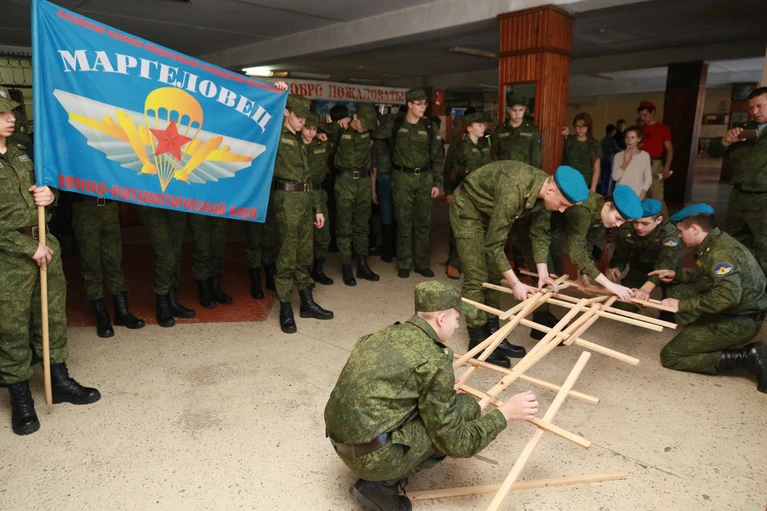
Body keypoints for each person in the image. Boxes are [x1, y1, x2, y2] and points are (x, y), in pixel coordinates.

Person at [324, 281, 540, 511]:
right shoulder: (434, 360)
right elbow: (457, 443)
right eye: (456, 318)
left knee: (443, 408)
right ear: (441, 318)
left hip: (340, 442)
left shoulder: (381, 335)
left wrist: (438, 390)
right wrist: (504, 414)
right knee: (466, 407)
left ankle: (377, 472)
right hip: (372, 460)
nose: (457, 325)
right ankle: (381, 486)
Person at [0, 86, 100, 436]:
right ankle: (20, 397)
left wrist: (50, 195)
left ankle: (57, 379)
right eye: (2, 114)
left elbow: (47, 196)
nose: (11, 118)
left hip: (44, 243)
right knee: (11, 327)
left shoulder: (23, 155)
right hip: (9, 258)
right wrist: (25, 246)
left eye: (11, 112)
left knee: (52, 315)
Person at [450, 163, 589, 367]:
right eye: (563, 204)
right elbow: (494, 245)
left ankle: (493, 334)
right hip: (468, 211)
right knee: (476, 277)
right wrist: (515, 283)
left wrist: (543, 273)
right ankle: (477, 339)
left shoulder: (545, 191)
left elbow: (540, 234)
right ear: (551, 189)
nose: (562, 210)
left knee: (494, 274)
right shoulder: (513, 188)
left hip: (492, 212)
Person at [650, 204, 767, 393]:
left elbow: (727, 297)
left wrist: (682, 305)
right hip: (736, 310)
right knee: (676, 289)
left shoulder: (721, 253)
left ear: (694, 229)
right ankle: (700, 332)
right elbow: (707, 275)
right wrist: (677, 275)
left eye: (680, 231)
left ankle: (746, 356)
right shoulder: (716, 242)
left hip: (739, 321)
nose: (678, 236)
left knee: (671, 355)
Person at [272, 94, 333, 334]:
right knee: (287, 255)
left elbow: (309, 177)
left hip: (306, 200)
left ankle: (307, 302)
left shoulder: (300, 140)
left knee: (305, 254)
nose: (302, 122)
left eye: (305, 118)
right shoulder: (277, 135)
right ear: (286, 113)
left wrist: (318, 208)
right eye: (298, 117)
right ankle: (285, 308)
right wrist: (276, 96)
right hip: (287, 200)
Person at [372, 89, 444, 278]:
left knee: (423, 223)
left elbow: (437, 157)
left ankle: (422, 263)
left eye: (425, 104)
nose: (423, 107)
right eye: (419, 104)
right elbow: (375, 133)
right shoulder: (395, 124)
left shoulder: (429, 127)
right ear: (409, 104)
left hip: (424, 178)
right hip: (402, 177)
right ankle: (404, 263)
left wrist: (437, 183)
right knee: (403, 221)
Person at [708, 86, 767, 276]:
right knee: (733, 243)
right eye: (751, 108)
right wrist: (725, 141)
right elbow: (713, 151)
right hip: (739, 197)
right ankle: (734, 285)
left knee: (764, 247)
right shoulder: (743, 129)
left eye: (759, 106)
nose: (754, 112)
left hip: (763, 199)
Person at [70, 193, 144, 337]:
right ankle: (102, 316)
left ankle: (122, 312)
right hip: (84, 208)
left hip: (110, 206)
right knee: (91, 264)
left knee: (114, 260)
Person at [323, 104, 380, 285]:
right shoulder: (340, 129)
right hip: (344, 181)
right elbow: (314, 128)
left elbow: (388, 126)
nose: (366, 128)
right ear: (355, 117)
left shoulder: (369, 131)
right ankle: (346, 267)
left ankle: (362, 265)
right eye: (363, 123)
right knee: (344, 226)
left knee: (362, 225)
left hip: (363, 182)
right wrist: (339, 122)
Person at [562, 185, 643, 301]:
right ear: (607, 206)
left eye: (623, 221)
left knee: (555, 270)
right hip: (544, 228)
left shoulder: (603, 218)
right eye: (618, 218)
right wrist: (610, 285)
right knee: (549, 271)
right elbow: (577, 252)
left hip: (559, 229)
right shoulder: (584, 209)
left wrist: (582, 272)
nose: (618, 225)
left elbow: (587, 244)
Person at [607, 198, 680, 320]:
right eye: (636, 222)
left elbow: (666, 264)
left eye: (645, 223)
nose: (639, 227)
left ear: (658, 220)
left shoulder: (669, 233)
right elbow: (620, 254)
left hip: (668, 271)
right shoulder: (626, 228)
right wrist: (616, 268)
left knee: (669, 312)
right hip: (641, 268)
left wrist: (646, 289)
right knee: (622, 307)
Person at [443, 111, 493, 279]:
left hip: (483, 194)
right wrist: (448, 191)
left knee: (481, 228)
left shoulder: (484, 145)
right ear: (469, 128)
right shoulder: (459, 145)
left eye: (484, 125)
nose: (483, 128)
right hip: (464, 192)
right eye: (479, 125)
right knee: (462, 229)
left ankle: (475, 264)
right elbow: (449, 169)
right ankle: (453, 263)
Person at [138, 206, 195, 327]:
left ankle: (172, 302)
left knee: (176, 253)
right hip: (151, 204)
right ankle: (162, 303)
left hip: (176, 203)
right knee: (165, 256)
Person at [301, 113, 333, 286]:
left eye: (314, 129)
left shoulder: (321, 145)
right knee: (303, 239)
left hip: (318, 193)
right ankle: (303, 274)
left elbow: (336, 135)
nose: (311, 132)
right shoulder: (295, 146)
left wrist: (325, 132)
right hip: (300, 194)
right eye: (308, 128)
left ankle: (318, 270)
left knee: (323, 236)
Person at [637, 101, 673, 217]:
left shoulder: (662, 128)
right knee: (642, 196)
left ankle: (665, 223)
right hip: (640, 164)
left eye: (645, 115)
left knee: (657, 197)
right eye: (641, 116)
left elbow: (669, 149)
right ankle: (643, 221)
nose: (642, 118)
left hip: (655, 164)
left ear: (652, 112)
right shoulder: (640, 129)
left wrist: (666, 167)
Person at [188, 213, 232, 308]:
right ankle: (203, 288)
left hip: (219, 207)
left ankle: (215, 286)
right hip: (198, 208)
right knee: (201, 247)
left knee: (218, 247)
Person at [491, 95, 542, 168]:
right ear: (508, 110)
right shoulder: (500, 130)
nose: (517, 114)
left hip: (524, 171)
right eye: (514, 110)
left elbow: (536, 158)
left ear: (525, 109)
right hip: (504, 171)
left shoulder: (532, 130)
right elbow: (495, 152)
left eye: (521, 110)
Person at [371, 115, 395, 263]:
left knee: (386, 215)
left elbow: (374, 170)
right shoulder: (399, 141)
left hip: (383, 180)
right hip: (399, 179)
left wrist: (373, 191)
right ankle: (396, 248)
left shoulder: (376, 145)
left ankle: (387, 252)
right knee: (398, 214)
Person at [562, 112, 602, 192]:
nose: (581, 129)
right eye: (578, 126)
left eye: (584, 126)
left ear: (588, 127)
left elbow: (596, 167)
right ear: (574, 126)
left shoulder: (595, 144)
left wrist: (593, 189)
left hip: (586, 184)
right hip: (567, 182)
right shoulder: (568, 140)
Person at [612, 126, 652, 199]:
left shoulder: (644, 156)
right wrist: (626, 162)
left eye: (633, 138)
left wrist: (643, 192)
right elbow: (615, 177)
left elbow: (648, 178)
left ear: (639, 139)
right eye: (627, 138)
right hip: (621, 194)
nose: (629, 140)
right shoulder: (618, 155)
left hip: (637, 194)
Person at [599, 124, 619, 195]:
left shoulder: (603, 140)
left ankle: (602, 191)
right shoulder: (612, 140)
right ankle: (608, 191)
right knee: (610, 176)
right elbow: (616, 149)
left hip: (603, 159)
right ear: (612, 131)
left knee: (603, 175)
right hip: (610, 159)